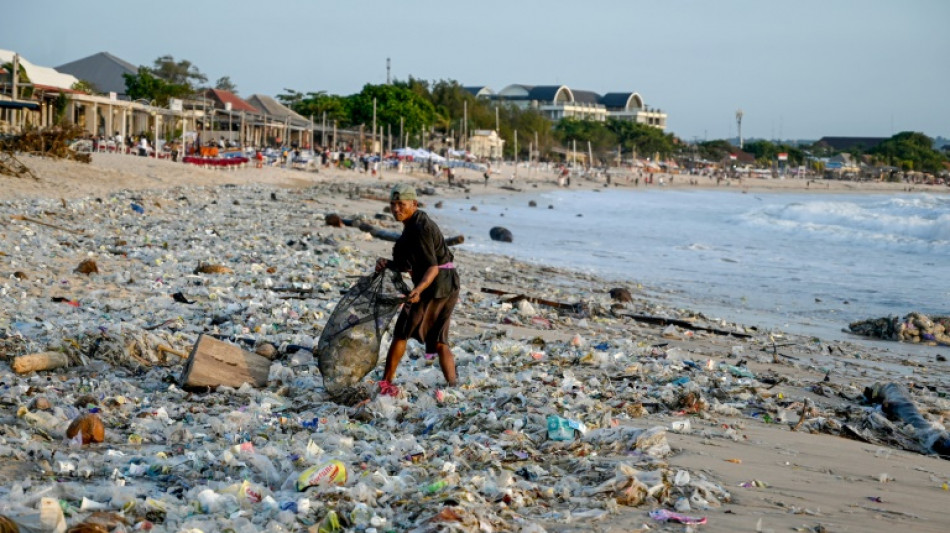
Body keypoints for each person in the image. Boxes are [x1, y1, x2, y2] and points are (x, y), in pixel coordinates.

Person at [374, 184, 460, 396]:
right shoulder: (411, 226)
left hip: (435, 285)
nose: (395, 209)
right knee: (439, 338)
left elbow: (432, 267)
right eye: (392, 204)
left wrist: (419, 289)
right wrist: (388, 264)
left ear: (414, 204)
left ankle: (386, 382)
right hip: (448, 284)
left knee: (402, 331)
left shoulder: (421, 228)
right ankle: (453, 385)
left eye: (401, 204)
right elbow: (406, 265)